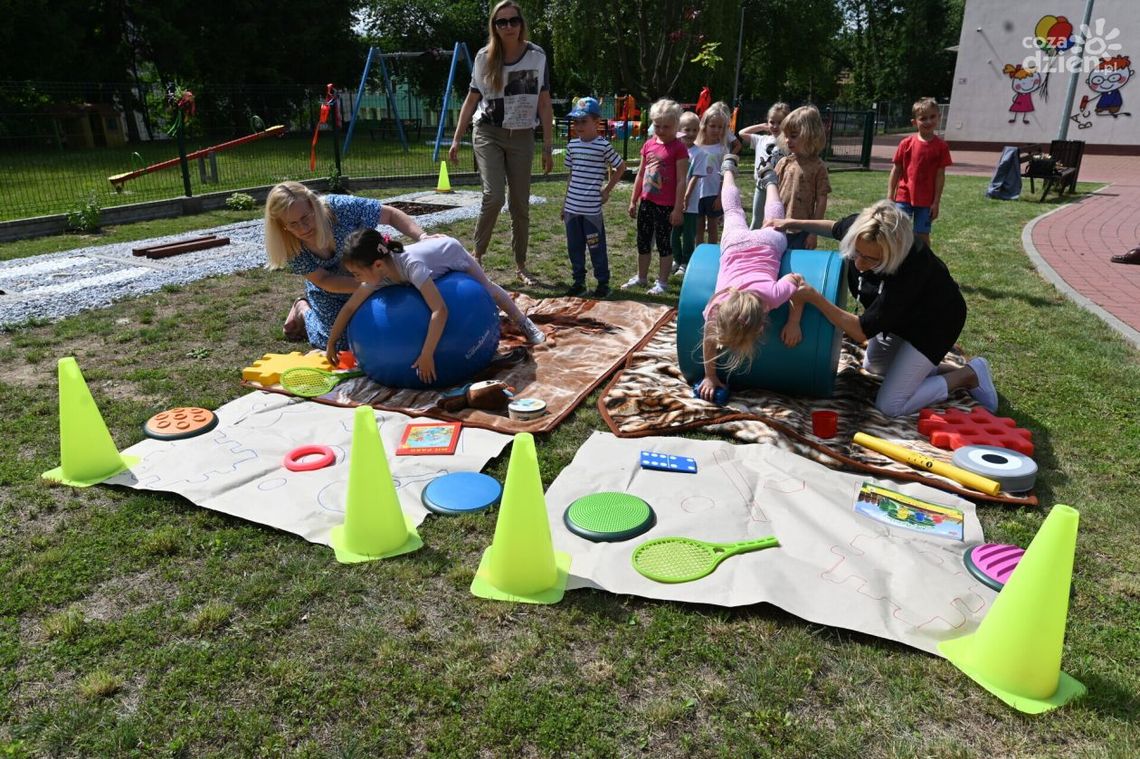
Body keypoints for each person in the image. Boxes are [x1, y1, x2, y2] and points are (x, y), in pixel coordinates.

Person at [768, 201, 999, 418]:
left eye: (871, 259)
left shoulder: (909, 270)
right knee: (873, 365)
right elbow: (834, 227)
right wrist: (791, 223)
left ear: (892, 256)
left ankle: (968, 374)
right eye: (856, 252)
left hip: (935, 323)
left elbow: (861, 331)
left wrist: (815, 298)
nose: (859, 263)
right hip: (899, 319)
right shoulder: (866, 230)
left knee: (891, 404)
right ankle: (928, 369)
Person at [331, 231, 546, 382]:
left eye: (357, 274)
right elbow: (350, 308)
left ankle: (524, 323)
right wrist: (332, 342)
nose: (356, 279)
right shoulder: (376, 275)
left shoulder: (411, 266)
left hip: (451, 254)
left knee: (487, 288)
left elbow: (440, 310)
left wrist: (427, 354)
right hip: (428, 261)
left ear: (377, 265)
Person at [448, 0, 554, 285]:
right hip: (488, 133)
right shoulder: (484, 57)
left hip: (522, 135)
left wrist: (547, 147)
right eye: (501, 22)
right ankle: (476, 257)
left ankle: (521, 265)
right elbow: (471, 100)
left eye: (513, 21)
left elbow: (544, 104)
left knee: (520, 204)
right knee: (493, 196)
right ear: (494, 27)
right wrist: (457, 139)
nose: (508, 26)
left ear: (521, 23)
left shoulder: (537, 55)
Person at [264, 181, 430, 350]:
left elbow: (390, 215)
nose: (303, 228)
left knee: (394, 316)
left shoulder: (339, 208)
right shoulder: (288, 244)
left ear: (313, 206)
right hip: (332, 291)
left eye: (306, 217)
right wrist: (371, 284)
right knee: (342, 342)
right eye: (292, 224)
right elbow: (323, 279)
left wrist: (423, 237)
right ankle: (304, 310)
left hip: (374, 274)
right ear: (281, 225)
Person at [695, 154, 806, 402]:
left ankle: (759, 177)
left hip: (764, 245)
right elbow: (797, 279)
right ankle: (749, 175)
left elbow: (796, 279)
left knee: (764, 221)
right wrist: (793, 320)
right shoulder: (719, 303)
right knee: (743, 213)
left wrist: (794, 320)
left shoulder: (772, 296)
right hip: (736, 245)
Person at [560, 96, 626, 298]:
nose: (578, 126)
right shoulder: (572, 146)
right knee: (574, 248)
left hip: (591, 212)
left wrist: (607, 190)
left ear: (596, 122)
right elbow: (571, 176)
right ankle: (578, 282)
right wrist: (565, 203)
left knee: (596, 247)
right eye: (576, 121)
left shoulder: (603, 146)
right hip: (572, 210)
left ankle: (603, 283)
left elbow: (621, 167)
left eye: (584, 121)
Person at [624, 99, 689, 296]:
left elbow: (681, 181)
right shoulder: (649, 144)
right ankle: (641, 277)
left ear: (676, 125)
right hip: (647, 202)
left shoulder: (679, 148)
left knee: (663, 244)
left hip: (666, 206)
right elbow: (641, 174)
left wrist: (678, 208)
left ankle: (662, 282)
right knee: (643, 242)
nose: (660, 130)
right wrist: (633, 200)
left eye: (666, 126)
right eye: (657, 125)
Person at [888, 97, 952, 248]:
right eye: (923, 118)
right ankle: (898, 261)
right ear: (914, 122)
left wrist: (936, 202)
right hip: (904, 197)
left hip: (926, 202)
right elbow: (896, 170)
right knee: (898, 231)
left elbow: (940, 176)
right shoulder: (906, 144)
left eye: (932, 117)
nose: (928, 121)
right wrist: (890, 195)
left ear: (939, 117)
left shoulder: (941, 147)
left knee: (922, 235)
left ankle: (924, 265)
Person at [683, 102, 742, 254]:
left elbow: (724, 174)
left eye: (720, 127)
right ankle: (700, 254)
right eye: (713, 126)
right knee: (699, 226)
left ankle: (713, 254)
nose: (716, 130)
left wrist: (719, 196)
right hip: (697, 193)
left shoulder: (722, 149)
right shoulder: (695, 146)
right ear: (705, 125)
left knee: (713, 226)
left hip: (713, 193)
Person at [774, 106, 831, 250]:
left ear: (810, 135)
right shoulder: (784, 162)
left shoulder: (818, 167)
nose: (787, 140)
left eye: (793, 136)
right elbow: (773, 194)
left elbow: (822, 201)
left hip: (802, 231)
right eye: (786, 136)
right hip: (779, 226)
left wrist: (813, 232)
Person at [738, 102, 790, 229]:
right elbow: (741, 133)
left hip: (780, 187)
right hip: (761, 186)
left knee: (776, 220)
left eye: (780, 122)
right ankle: (752, 243)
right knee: (757, 219)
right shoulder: (761, 140)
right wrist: (762, 126)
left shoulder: (789, 142)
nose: (775, 126)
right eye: (772, 122)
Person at [670, 111, 701, 277]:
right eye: (687, 129)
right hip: (674, 201)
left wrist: (686, 197)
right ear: (680, 130)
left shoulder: (700, 153)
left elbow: (695, 177)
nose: (691, 133)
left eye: (695, 130)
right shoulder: (675, 149)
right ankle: (676, 258)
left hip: (691, 203)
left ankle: (686, 262)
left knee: (688, 235)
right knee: (673, 233)